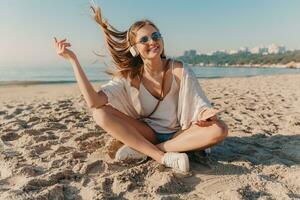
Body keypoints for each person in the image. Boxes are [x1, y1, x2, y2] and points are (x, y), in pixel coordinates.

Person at [53, 5, 228, 173]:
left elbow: (198, 102)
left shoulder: (179, 69)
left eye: (156, 36)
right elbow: (94, 102)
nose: (152, 42)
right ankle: (160, 156)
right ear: (134, 49)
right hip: (148, 133)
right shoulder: (129, 76)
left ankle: (146, 150)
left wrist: (205, 114)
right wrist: (73, 60)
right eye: (144, 40)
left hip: (180, 133)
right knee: (99, 113)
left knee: (219, 129)